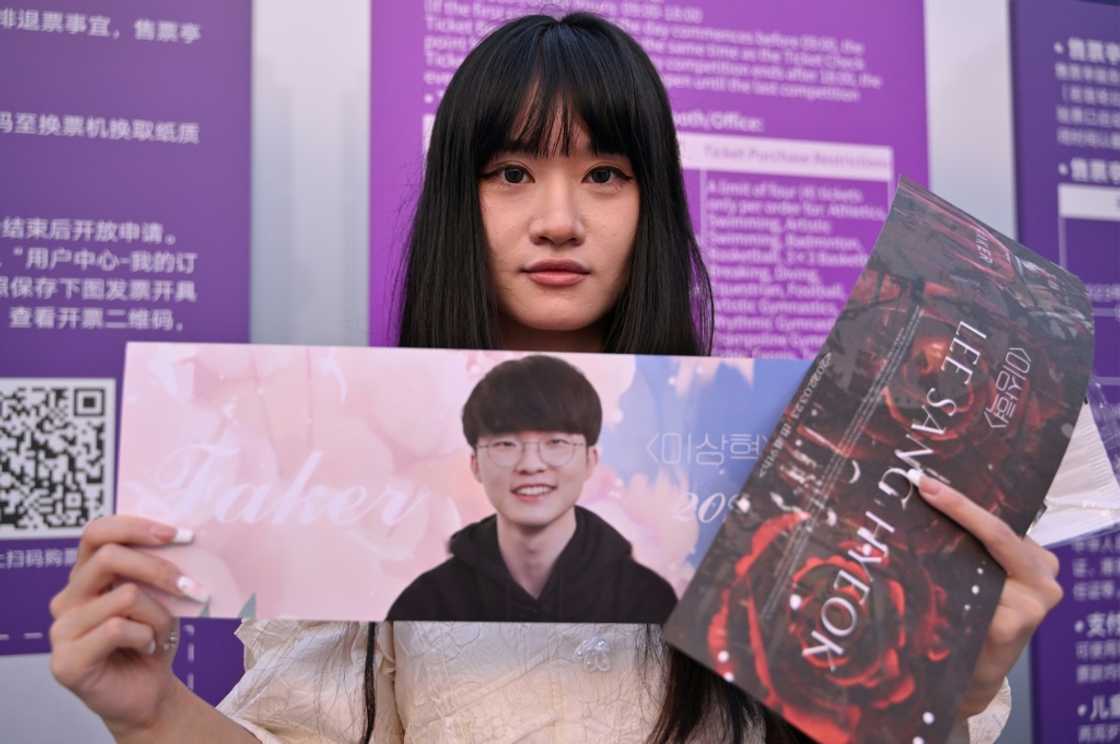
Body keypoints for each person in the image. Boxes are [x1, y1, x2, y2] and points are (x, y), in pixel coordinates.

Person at [47, 12, 1062, 744]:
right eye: (512, 172)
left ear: (650, 204)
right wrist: (150, 713)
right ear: (462, 198)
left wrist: (952, 683)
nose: (560, 219)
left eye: (606, 174)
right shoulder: (356, 485)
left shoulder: (773, 457)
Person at [387, 354, 677, 623]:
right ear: (475, 465)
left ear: (590, 461)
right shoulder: (426, 605)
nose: (531, 465)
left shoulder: (647, 602)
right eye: (505, 444)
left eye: (556, 443)